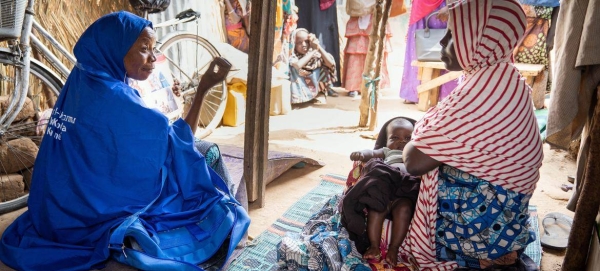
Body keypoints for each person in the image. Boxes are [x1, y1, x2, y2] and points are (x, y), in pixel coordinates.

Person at [0, 11, 249, 270]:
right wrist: (203, 89)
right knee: (205, 153)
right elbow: (180, 140)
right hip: (87, 218)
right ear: (115, 47)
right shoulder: (117, 96)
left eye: (153, 49)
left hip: (52, 212)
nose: (153, 58)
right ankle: (228, 217)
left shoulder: (81, 79)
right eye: (144, 49)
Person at [401, 0, 544, 270]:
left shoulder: (485, 88)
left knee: (399, 175)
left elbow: (414, 161)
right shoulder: (502, 75)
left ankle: (461, 252)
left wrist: (420, 136)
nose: (442, 42)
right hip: (506, 220)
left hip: (483, 226)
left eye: (453, 34)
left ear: (482, 40)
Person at [342, 117, 421, 267]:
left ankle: (394, 248)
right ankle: (374, 245)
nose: (402, 142)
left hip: (404, 192)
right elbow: (370, 153)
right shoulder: (387, 151)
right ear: (386, 141)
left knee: (404, 209)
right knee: (376, 207)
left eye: (408, 138)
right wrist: (360, 154)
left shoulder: (415, 153)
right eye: (395, 137)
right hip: (384, 189)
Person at [399, 0, 458, 104]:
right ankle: (413, 92)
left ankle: (449, 94)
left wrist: (450, 6)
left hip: (444, 4)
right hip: (421, 6)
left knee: (448, 41)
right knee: (418, 45)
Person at [342, 15, 393, 98]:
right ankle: (354, 86)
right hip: (360, 9)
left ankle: (374, 85)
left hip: (376, 10)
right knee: (356, 50)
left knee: (376, 50)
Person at [289, 28, 337, 105]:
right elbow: (298, 65)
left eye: (307, 42)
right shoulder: (292, 56)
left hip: (312, 85)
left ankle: (319, 92)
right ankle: (300, 99)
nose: (304, 45)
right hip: (300, 87)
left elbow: (331, 64)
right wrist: (314, 51)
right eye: (299, 43)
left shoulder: (315, 55)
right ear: (293, 44)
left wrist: (317, 46)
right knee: (293, 69)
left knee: (326, 59)